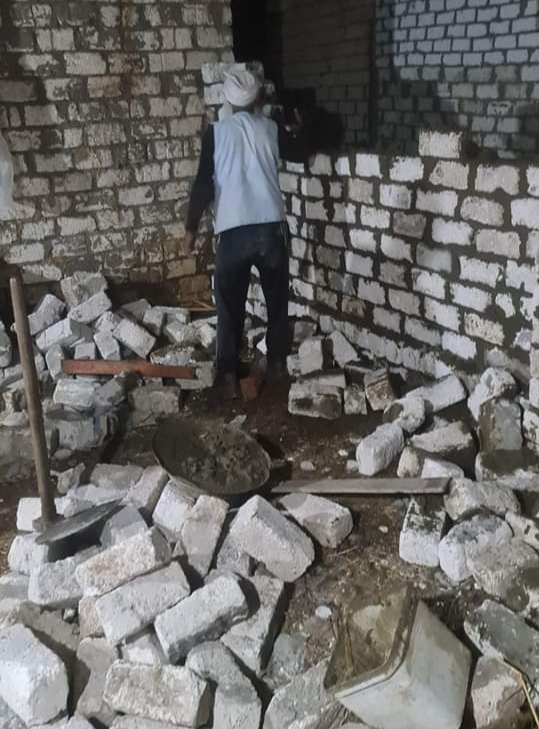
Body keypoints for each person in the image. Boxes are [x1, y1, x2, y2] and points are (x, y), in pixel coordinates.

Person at [183, 70, 306, 398]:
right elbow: (299, 152)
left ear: (227, 100)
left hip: (233, 232)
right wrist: (298, 128)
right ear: (256, 100)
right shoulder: (271, 128)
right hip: (270, 230)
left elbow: (203, 184)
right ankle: (277, 366)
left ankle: (227, 377)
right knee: (277, 303)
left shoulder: (216, 133)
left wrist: (191, 229)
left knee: (229, 306)